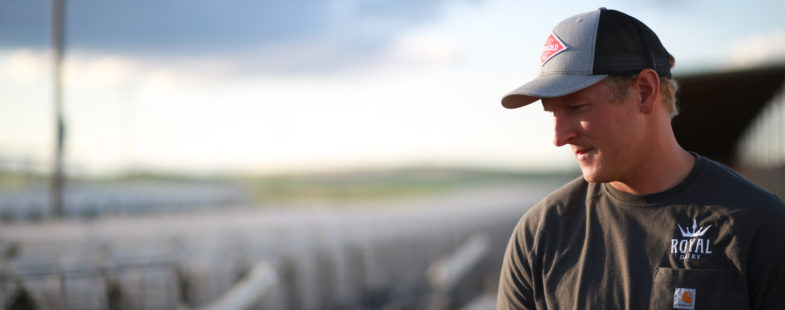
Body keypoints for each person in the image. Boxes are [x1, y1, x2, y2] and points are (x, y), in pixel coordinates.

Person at [496, 8, 785, 310]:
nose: (558, 137)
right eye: (553, 113)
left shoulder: (760, 227)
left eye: (576, 107)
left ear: (645, 92)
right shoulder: (539, 236)